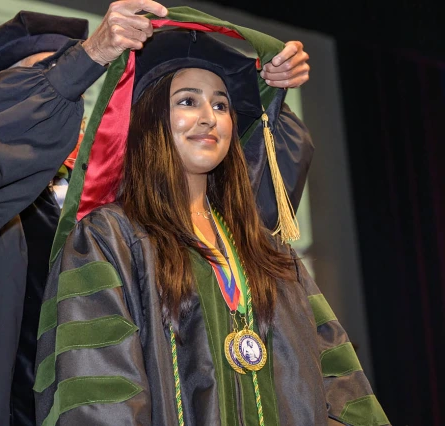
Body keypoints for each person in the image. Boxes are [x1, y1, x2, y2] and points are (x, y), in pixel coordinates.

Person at [0, 3, 313, 426]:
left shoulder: (109, 191)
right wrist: (89, 56)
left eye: (75, 81)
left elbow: (240, 213)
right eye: (45, 76)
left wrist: (262, 94)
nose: (67, 92)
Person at [34, 21, 389, 426]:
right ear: (150, 120)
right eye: (188, 101)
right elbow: (100, 391)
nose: (208, 117)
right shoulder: (110, 238)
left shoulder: (271, 252)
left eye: (221, 105)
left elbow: (337, 378)